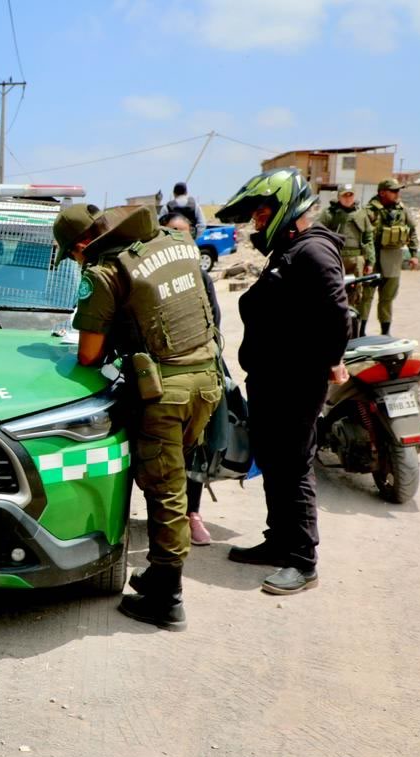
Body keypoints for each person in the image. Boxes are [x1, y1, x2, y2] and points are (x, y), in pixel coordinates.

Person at [56, 203, 221, 631]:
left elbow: (88, 354)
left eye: (71, 255)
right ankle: (159, 574)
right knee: (175, 477)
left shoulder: (105, 272)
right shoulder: (174, 241)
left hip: (164, 392)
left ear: (82, 244)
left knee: (164, 488)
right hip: (206, 381)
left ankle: (167, 596)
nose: (75, 262)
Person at [215, 167, 349, 595]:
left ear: (285, 208)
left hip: (295, 384)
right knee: (274, 463)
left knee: (293, 467)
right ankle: (279, 542)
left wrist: (331, 360)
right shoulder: (291, 248)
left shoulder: (314, 251)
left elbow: (338, 315)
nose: (257, 222)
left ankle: (303, 561)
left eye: (262, 213)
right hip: (272, 380)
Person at [161, 211, 221, 546]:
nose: (177, 239)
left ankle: (192, 513)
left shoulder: (201, 277)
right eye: (170, 232)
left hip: (196, 375)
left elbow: (215, 327)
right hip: (160, 376)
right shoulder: (149, 277)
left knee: (195, 448)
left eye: (183, 233)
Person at [362, 178, 419, 335]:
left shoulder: (402, 210)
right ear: (382, 193)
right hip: (372, 258)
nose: (397, 193)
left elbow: (412, 231)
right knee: (366, 296)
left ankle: (385, 332)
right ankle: (360, 332)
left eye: (398, 190)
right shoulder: (369, 210)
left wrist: (414, 254)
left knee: (388, 297)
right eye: (393, 191)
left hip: (393, 258)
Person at [317, 184, 375, 313]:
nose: (348, 198)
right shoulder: (329, 213)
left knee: (355, 291)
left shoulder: (361, 214)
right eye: (345, 195)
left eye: (351, 195)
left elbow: (368, 238)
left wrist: (370, 262)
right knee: (332, 289)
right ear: (339, 197)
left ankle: (351, 318)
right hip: (335, 258)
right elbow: (317, 232)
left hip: (356, 260)